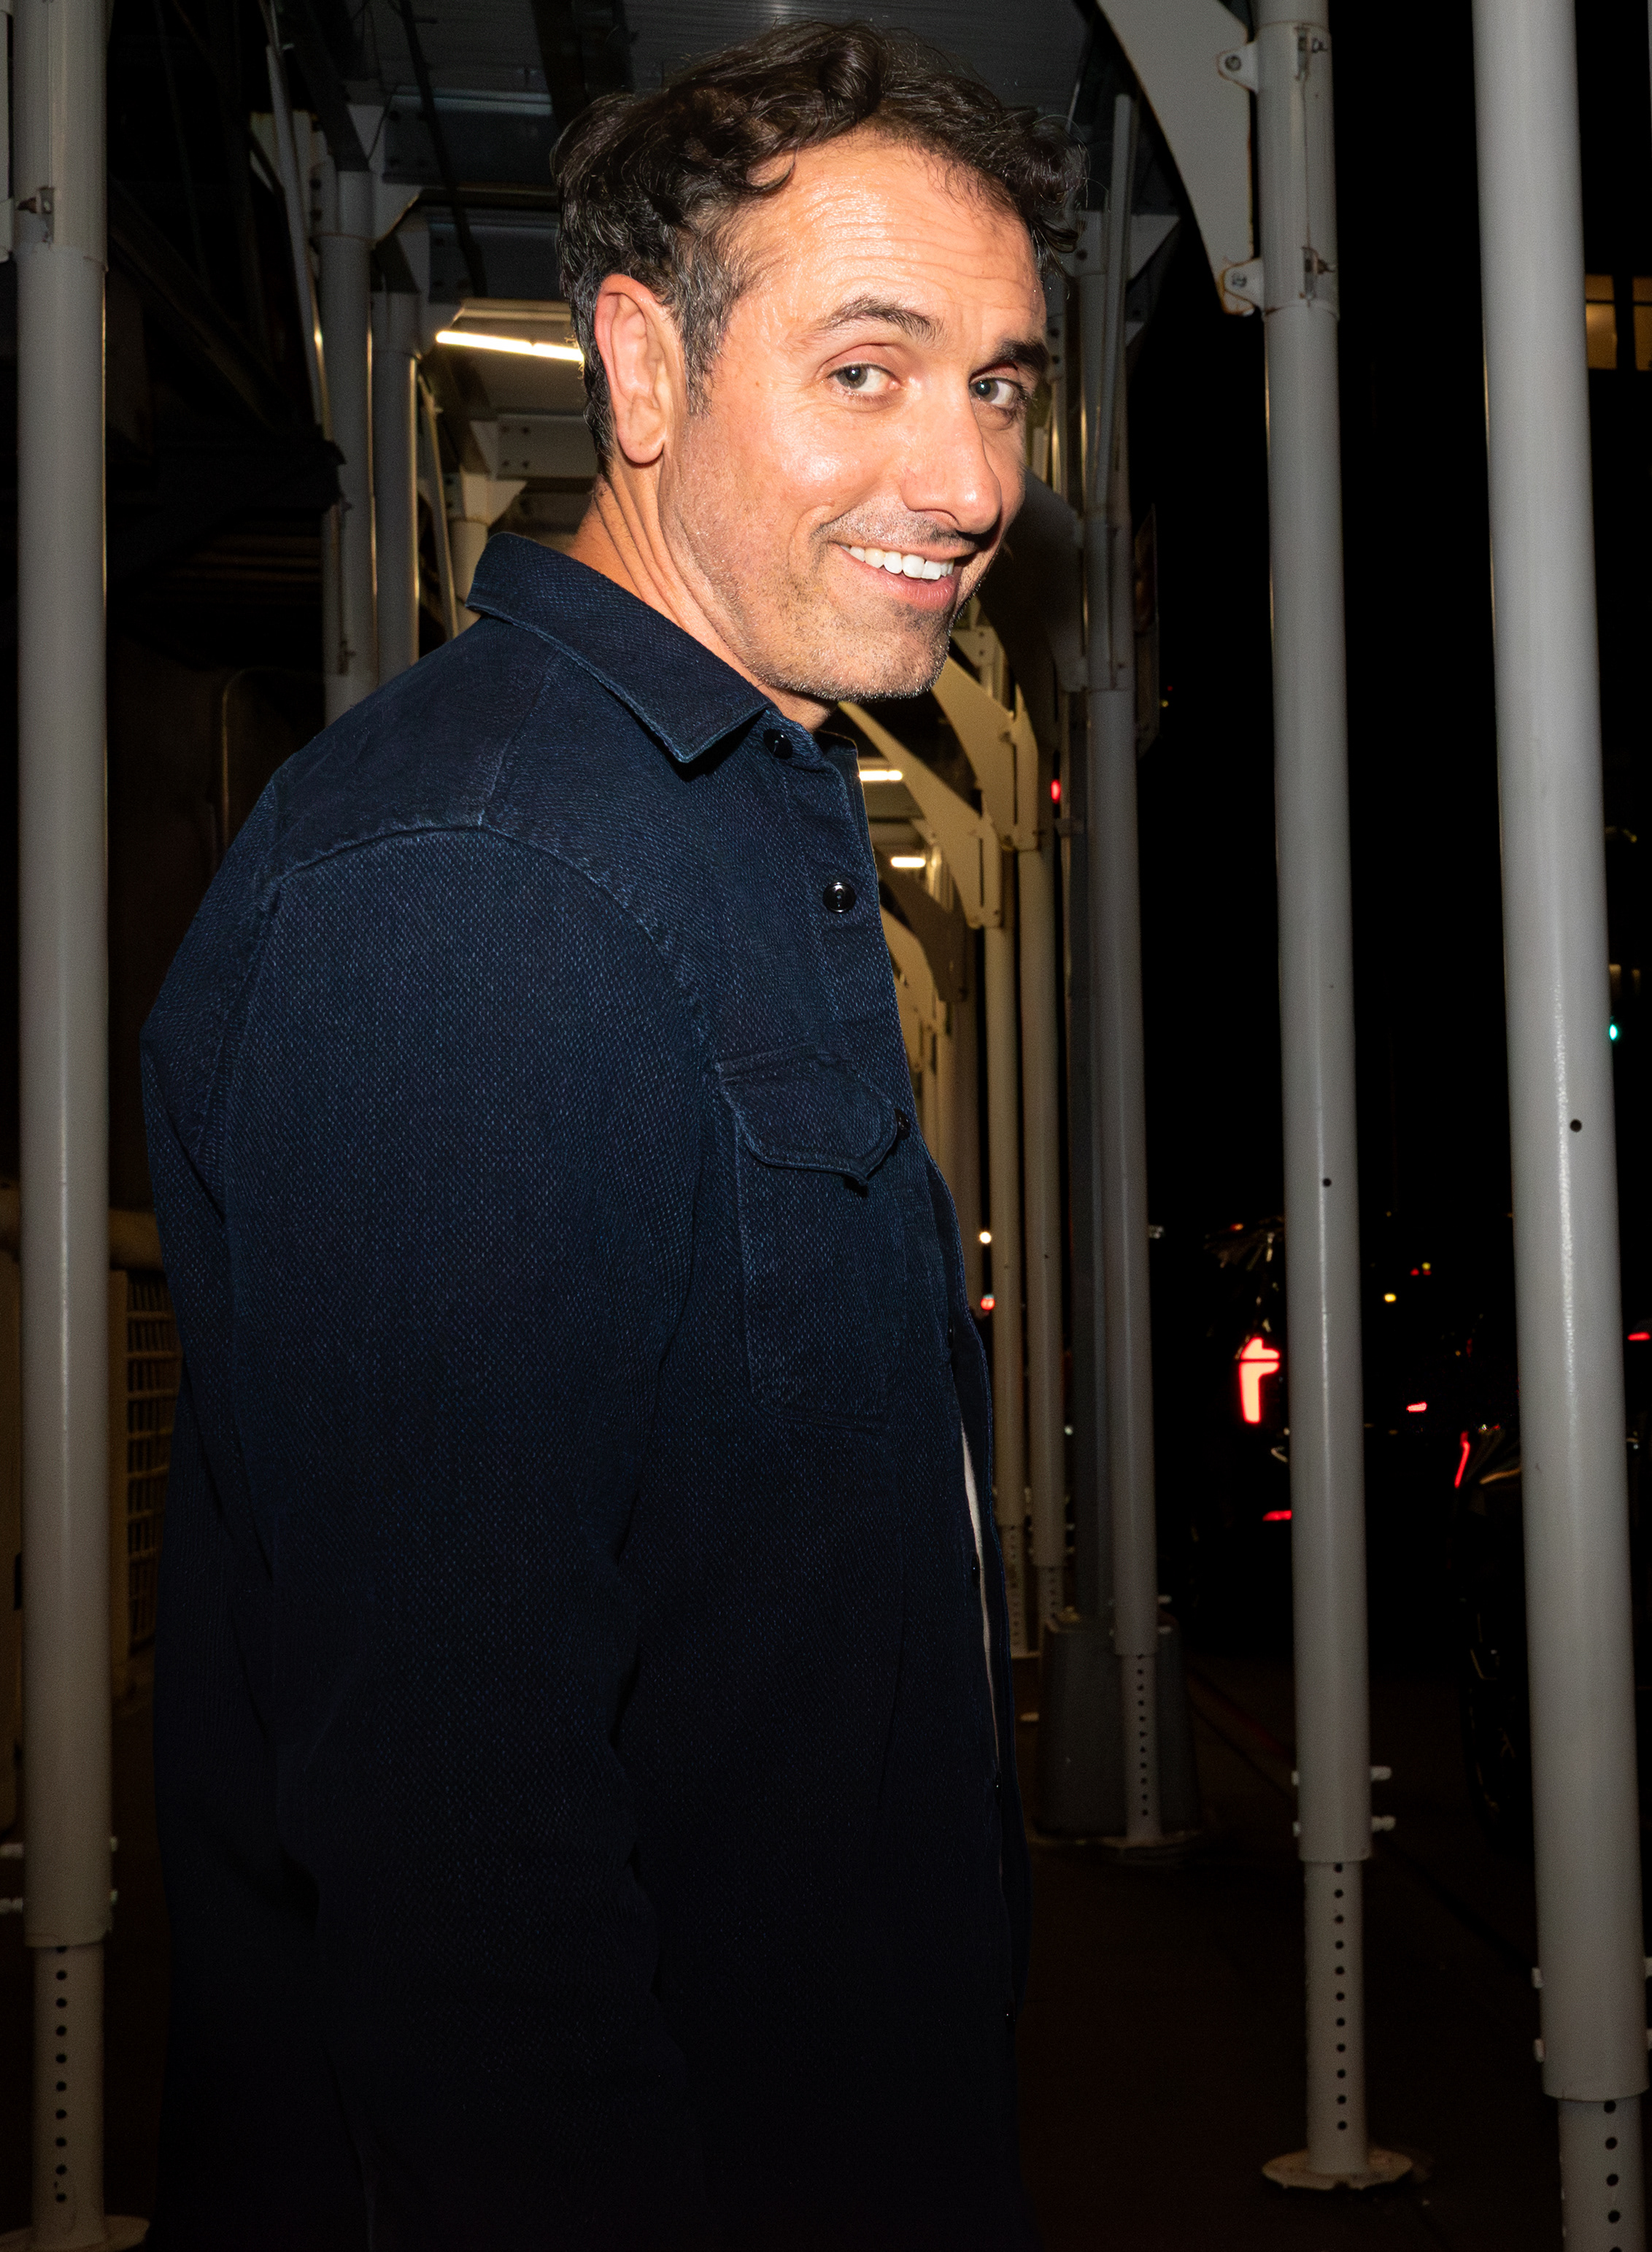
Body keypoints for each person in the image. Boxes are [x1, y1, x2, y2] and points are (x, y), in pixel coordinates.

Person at [139, 26, 1070, 2243]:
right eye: (868, 370)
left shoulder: (728, 805)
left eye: (1006, 383)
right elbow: (456, 1816)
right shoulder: (480, 884)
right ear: (640, 373)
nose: (966, 475)